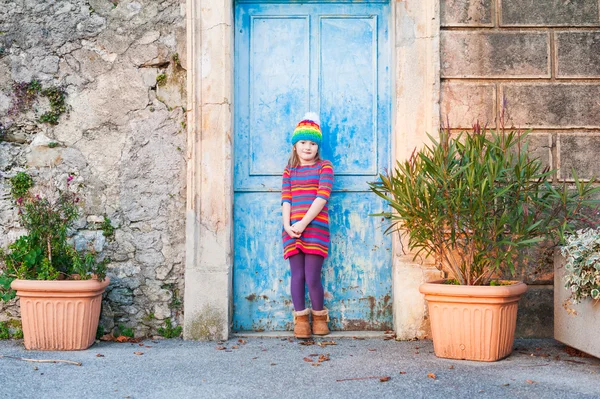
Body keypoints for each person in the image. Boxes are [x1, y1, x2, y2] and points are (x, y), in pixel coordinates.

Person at [281, 112, 334, 338]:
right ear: (295, 145)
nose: (307, 147)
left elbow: (322, 196)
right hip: (292, 231)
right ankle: (301, 320)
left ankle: (320, 318)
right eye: (303, 142)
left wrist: (303, 223)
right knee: (297, 276)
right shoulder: (289, 171)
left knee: (312, 276)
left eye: (312, 143)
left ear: (317, 147)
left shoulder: (325, 167)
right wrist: (287, 225)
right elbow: (286, 199)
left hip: (315, 229)